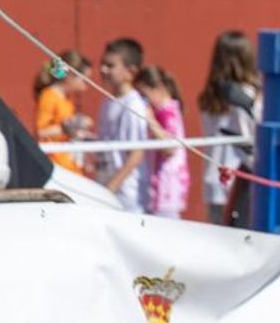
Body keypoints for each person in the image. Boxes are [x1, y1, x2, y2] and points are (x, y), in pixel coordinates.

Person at [198, 31, 263, 225]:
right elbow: (256, 128)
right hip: (240, 177)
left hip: (215, 175)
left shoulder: (210, 96)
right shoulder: (246, 95)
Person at [94, 38, 152, 212]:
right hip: (106, 186)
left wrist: (112, 185)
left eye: (110, 66)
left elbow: (136, 153)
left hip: (126, 194)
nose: (103, 69)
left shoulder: (134, 105)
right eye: (102, 64)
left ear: (130, 72)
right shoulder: (108, 101)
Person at [135, 66, 190, 219]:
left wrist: (150, 119)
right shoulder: (163, 111)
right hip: (161, 187)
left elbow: (170, 149)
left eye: (144, 96)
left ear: (159, 88)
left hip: (167, 188)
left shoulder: (168, 113)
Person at [32, 50, 94, 175]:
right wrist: (67, 127)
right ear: (70, 76)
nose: (86, 86)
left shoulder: (66, 99)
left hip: (69, 163)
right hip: (57, 164)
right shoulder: (49, 96)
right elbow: (41, 131)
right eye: (85, 80)